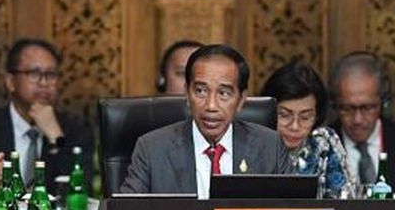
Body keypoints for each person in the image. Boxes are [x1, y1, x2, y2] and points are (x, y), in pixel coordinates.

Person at [120, 44, 291, 196]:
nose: (210, 106)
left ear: (240, 100)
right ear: (187, 94)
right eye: (201, 91)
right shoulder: (152, 149)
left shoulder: (269, 146)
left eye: (224, 93)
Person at [0, 37, 93, 188]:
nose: (44, 83)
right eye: (34, 73)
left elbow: (80, 192)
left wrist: (56, 139)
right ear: (11, 82)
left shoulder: (78, 132)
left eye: (51, 74)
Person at [261, 60, 355, 198]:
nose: (294, 126)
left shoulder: (323, 143)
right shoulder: (251, 142)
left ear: (317, 115)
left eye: (305, 117)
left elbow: (346, 205)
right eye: (284, 115)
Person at [329, 51, 395, 188]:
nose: (357, 120)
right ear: (334, 105)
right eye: (347, 108)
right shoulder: (322, 148)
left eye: (367, 108)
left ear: (384, 102)